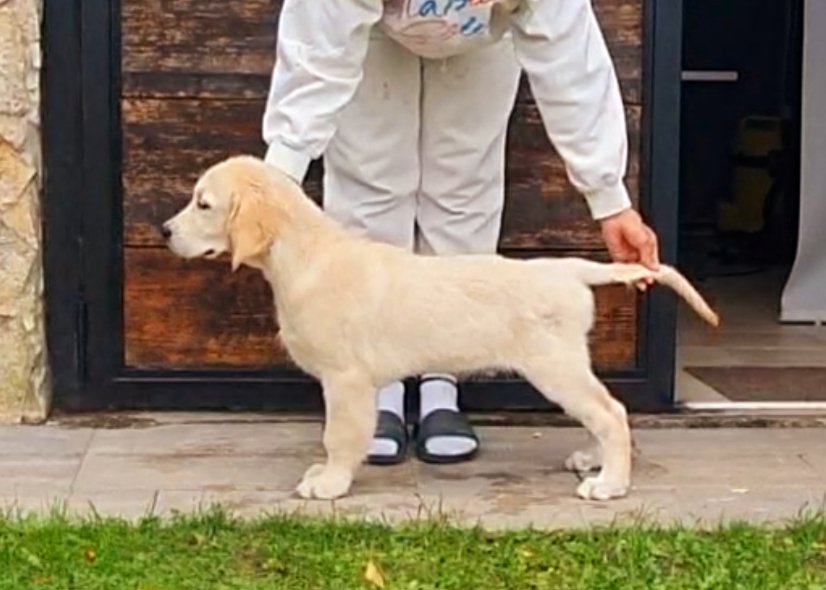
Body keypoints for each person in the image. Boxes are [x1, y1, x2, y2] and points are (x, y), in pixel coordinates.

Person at [261, 0, 660, 466]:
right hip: (369, 33)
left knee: (464, 190)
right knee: (369, 182)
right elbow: (316, 51)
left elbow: (573, 64)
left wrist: (609, 198)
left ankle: (442, 383)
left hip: (483, 42)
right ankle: (375, 386)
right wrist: (279, 178)